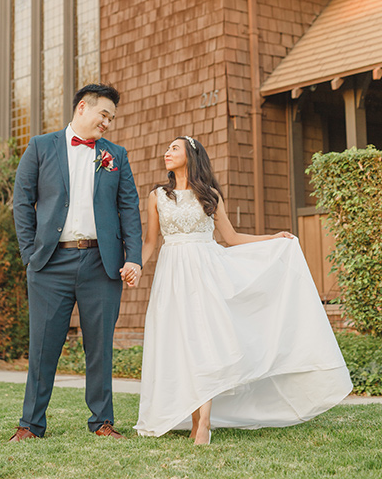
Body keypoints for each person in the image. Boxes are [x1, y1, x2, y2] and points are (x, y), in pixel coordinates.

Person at [131, 136, 352, 444]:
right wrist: (137, 267)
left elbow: (232, 238)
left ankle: (204, 422)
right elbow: (150, 242)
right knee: (180, 343)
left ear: (191, 155)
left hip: (206, 272)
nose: (166, 152)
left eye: (174, 148)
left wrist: (272, 238)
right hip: (172, 276)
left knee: (204, 343)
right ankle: (193, 418)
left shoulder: (210, 196)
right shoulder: (157, 196)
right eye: (166, 148)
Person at [10, 83, 142, 442]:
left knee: (99, 346)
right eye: (104, 115)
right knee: (42, 346)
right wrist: (29, 256)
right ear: (83, 107)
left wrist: (134, 258)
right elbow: (21, 202)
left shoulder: (116, 155)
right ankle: (31, 425)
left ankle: (102, 421)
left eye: (112, 119)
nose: (108, 123)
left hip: (102, 263)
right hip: (50, 263)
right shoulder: (40, 146)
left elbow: (129, 207)